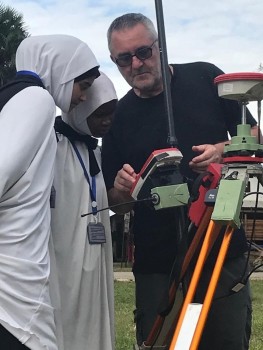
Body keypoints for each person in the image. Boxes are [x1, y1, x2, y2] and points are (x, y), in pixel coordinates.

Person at [101, 13, 261, 350]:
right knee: (165, 343)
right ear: (115, 62)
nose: (136, 63)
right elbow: (116, 203)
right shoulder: (118, 117)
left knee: (227, 342)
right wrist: (122, 188)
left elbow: (254, 136)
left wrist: (221, 150)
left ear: (160, 48)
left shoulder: (206, 77)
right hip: (158, 265)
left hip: (221, 251)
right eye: (124, 58)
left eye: (143, 51)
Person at [0, 34, 100, 350]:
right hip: (13, 286)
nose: (84, 97)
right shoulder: (36, 99)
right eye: (82, 85)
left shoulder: (10, 97)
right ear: (60, 70)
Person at [51, 71, 117, 350]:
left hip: (94, 254)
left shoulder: (97, 152)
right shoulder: (51, 144)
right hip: (62, 255)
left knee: (94, 314)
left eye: (111, 114)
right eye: (100, 114)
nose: (107, 122)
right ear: (80, 108)